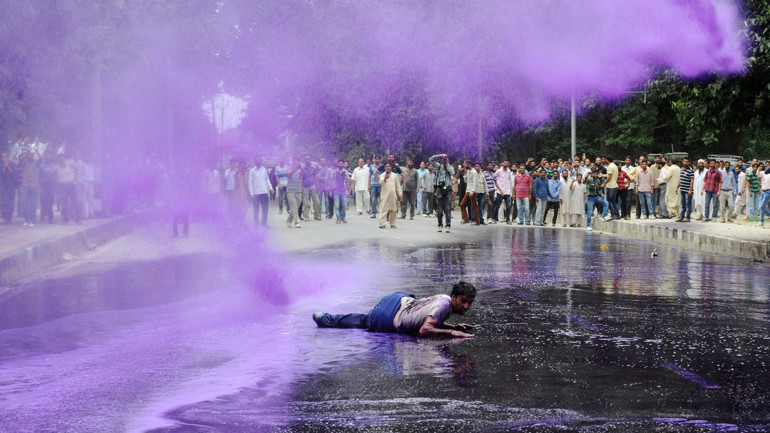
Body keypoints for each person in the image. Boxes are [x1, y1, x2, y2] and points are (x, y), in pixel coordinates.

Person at [312, 281, 477, 338]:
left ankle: (325, 317)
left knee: (362, 319)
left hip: (399, 300)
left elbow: (430, 320)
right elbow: (425, 329)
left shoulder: (444, 300)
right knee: (364, 321)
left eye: (469, 303)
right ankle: (324, 319)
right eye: (463, 301)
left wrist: (453, 327)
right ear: (454, 297)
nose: (466, 306)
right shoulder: (444, 305)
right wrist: (452, 333)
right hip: (390, 314)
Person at [428, 154, 455, 233]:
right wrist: (439, 155)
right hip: (439, 189)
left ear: (448, 160)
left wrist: (446, 164)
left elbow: (452, 172)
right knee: (439, 210)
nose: (444, 160)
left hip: (448, 190)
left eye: (446, 159)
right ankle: (440, 225)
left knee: (447, 209)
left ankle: (448, 225)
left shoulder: (450, 167)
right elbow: (430, 159)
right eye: (443, 159)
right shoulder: (438, 166)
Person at [248, 157, 274, 228]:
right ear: (255, 161)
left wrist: (271, 188)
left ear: (261, 161)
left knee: (265, 209)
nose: (258, 161)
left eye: (259, 160)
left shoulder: (264, 170)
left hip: (264, 192)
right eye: (256, 160)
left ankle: (264, 223)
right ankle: (256, 224)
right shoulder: (252, 171)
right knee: (256, 210)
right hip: (256, 194)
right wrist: (251, 193)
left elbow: (267, 180)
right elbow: (250, 183)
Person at [378, 162, 402, 229]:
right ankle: (383, 223)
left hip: (393, 196)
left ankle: (392, 223)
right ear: (384, 168)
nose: (387, 167)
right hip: (384, 196)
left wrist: (400, 194)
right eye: (386, 166)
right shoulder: (382, 175)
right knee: (383, 210)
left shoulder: (394, 175)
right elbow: (380, 182)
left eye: (389, 166)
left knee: (393, 210)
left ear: (391, 167)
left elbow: (398, 185)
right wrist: (385, 178)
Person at [285, 159, 303, 228]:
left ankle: (289, 220)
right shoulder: (288, 168)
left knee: (296, 207)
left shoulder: (300, 169)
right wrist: (296, 169)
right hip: (290, 191)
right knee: (294, 207)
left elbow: (303, 174)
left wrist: (301, 168)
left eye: (297, 162)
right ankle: (297, 222)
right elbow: (288, 174)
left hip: (298, 190)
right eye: (294, 162)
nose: (296, 163)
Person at [676, 158, 694, 222]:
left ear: (689, 163)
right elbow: (680, 179)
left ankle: (688, 217)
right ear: (682, 162)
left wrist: (690, 190)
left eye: (687, 162)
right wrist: (677, 187)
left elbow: (692, 181)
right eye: (684, 161)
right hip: (682, 189)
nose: (685, 163)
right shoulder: (681, 170)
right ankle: (682, 216)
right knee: (682, 204)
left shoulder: (690, 170)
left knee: (688, 204)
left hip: (688, 190)